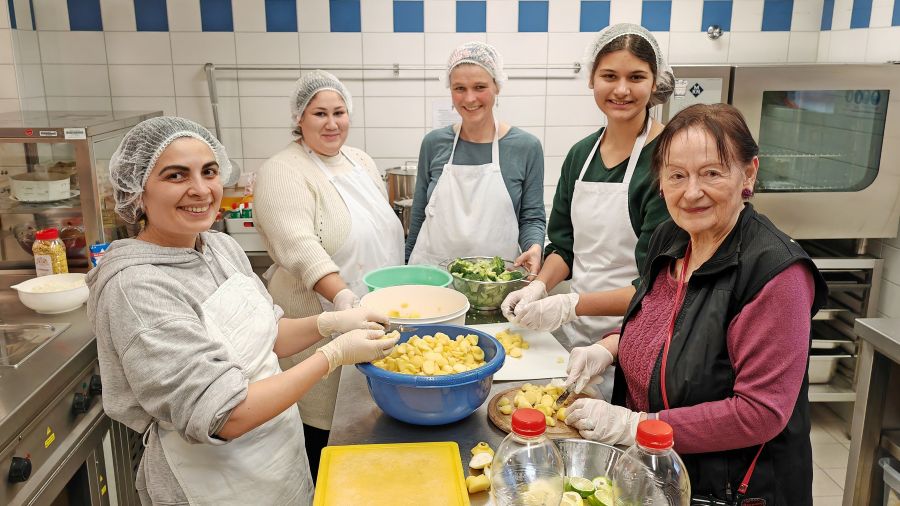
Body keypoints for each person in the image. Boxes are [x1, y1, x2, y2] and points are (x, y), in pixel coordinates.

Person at [86, 116, 398, 506]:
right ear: (137, 193)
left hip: (278, 464)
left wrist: (330, 323)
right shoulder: (137, 287)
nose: (200, 189)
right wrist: (333, 356)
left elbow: (265, 336)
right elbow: (225, 416)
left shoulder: (218, 247)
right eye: (176, 176)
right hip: (212, 482)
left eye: (209, 171)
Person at [563, 104, 828, 505]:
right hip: (656, 472)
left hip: (730, 490)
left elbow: (760, 412)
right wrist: (608, 346)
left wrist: (640, 426)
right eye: (677, 176)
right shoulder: (672, 238)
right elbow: (660, 321)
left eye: (711, 173)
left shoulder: (776, 274)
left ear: (749, 174)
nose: (691, 192)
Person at [253, 70, 404, 476]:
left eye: (339, 112)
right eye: (319, 113)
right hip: (318, 327)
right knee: (329, 442)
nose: (332, 123)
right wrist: (341, 297)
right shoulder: (281, 171)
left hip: (376, 319)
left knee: (376, 433)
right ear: (299, 118)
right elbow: (299, 246)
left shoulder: (361, 161)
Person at [501, 24, 675, 373]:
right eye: (609, 75)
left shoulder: (670, 161)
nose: (622, 90)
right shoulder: (581, 155)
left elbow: (658, 285)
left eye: (636, 77)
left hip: (636, 335)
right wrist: (537, 288)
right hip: (575, 332)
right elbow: (565, 247)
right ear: (591, 79)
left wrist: (569, 304)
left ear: (655, 83)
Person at [405, 41, 546, 273]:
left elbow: (532, 217)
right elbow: (419, 216)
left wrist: (534, 247)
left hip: (495, 284)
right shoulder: (433, 143)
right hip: (434, 280)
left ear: (497, 86)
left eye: (479, 87)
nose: (469, 99)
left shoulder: (525, 147)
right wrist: (407, 270)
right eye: (459, 88)